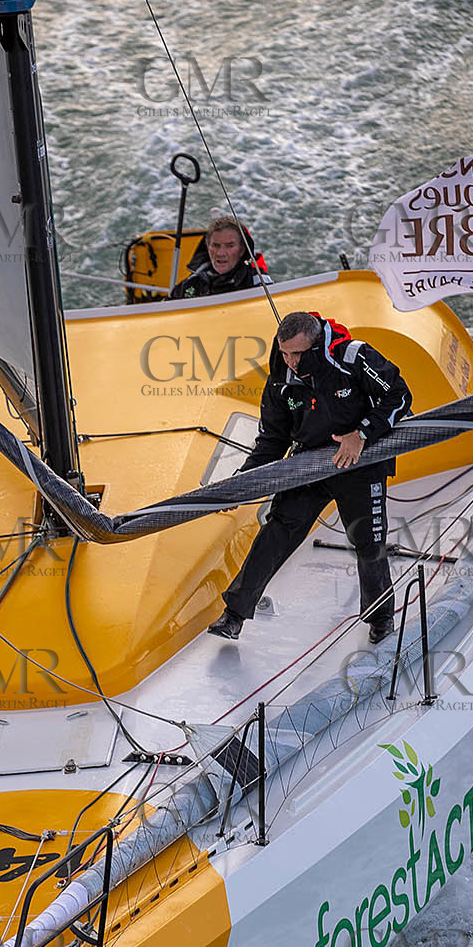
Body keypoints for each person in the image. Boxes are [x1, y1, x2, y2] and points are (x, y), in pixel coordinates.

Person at [207, 310, 412, 645]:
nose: (290, 361)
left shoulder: (353, 356)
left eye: (297, 354)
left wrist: (361, 434)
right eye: (284, 352)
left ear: (316, 345)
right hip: (310, 464)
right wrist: (242, 483)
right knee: (277, 532)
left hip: (360, 461)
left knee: (369, 541)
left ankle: (380, 619)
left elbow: (400, 396)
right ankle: (234, 616)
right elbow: (273, 439)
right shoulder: (280, 376)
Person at [169, 215, 268, 299]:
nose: (220, 253)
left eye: (230, 246)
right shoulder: (192, 282)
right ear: (208, 248)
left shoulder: (259, 285)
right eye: (216, 245)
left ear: (242, 250)